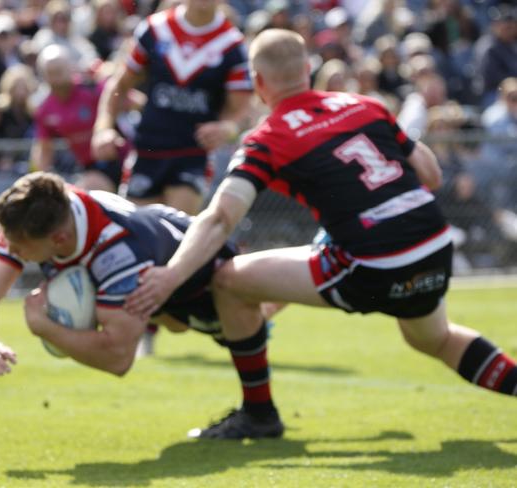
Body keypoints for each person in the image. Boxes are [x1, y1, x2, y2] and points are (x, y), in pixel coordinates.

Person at [126, 30, 517, 434]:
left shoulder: (268, 137)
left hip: (374, 261)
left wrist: (170, 276)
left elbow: (221, 217)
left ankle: (259, 415)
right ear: (308, 70)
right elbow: (431, 175)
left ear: (258, 82)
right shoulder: (366, 105)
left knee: (228, 281)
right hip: (433, 242)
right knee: (434, 339)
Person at [0, 171, 284, 439]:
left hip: (200, 274)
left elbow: (117, 358)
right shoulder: (37, 215)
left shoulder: (117, 252)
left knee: (244, 317)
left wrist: (44, 327)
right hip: (156, 247)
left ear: (59, 239)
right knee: (172, 322)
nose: (12, 251)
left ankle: (307, 265)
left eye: (19, 248)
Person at [91, 0, 253, 216]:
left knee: (176, 233)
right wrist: (103, 129)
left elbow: (242, 109)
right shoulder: (154, 30)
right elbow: (119, 85)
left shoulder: (232, 45)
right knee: (140, 234)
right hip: (148, 149)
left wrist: (228, 129)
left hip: (193, 153)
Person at [31, 44, 134, 192]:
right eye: (51, 72)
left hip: (124, 157)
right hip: (93, 167)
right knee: (89, 193)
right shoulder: (45, 109)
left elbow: (134, 101)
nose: (56, 77)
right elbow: (44, 148)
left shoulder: (92, 88)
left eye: (59, 71)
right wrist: (38, 182)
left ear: (71, 67)